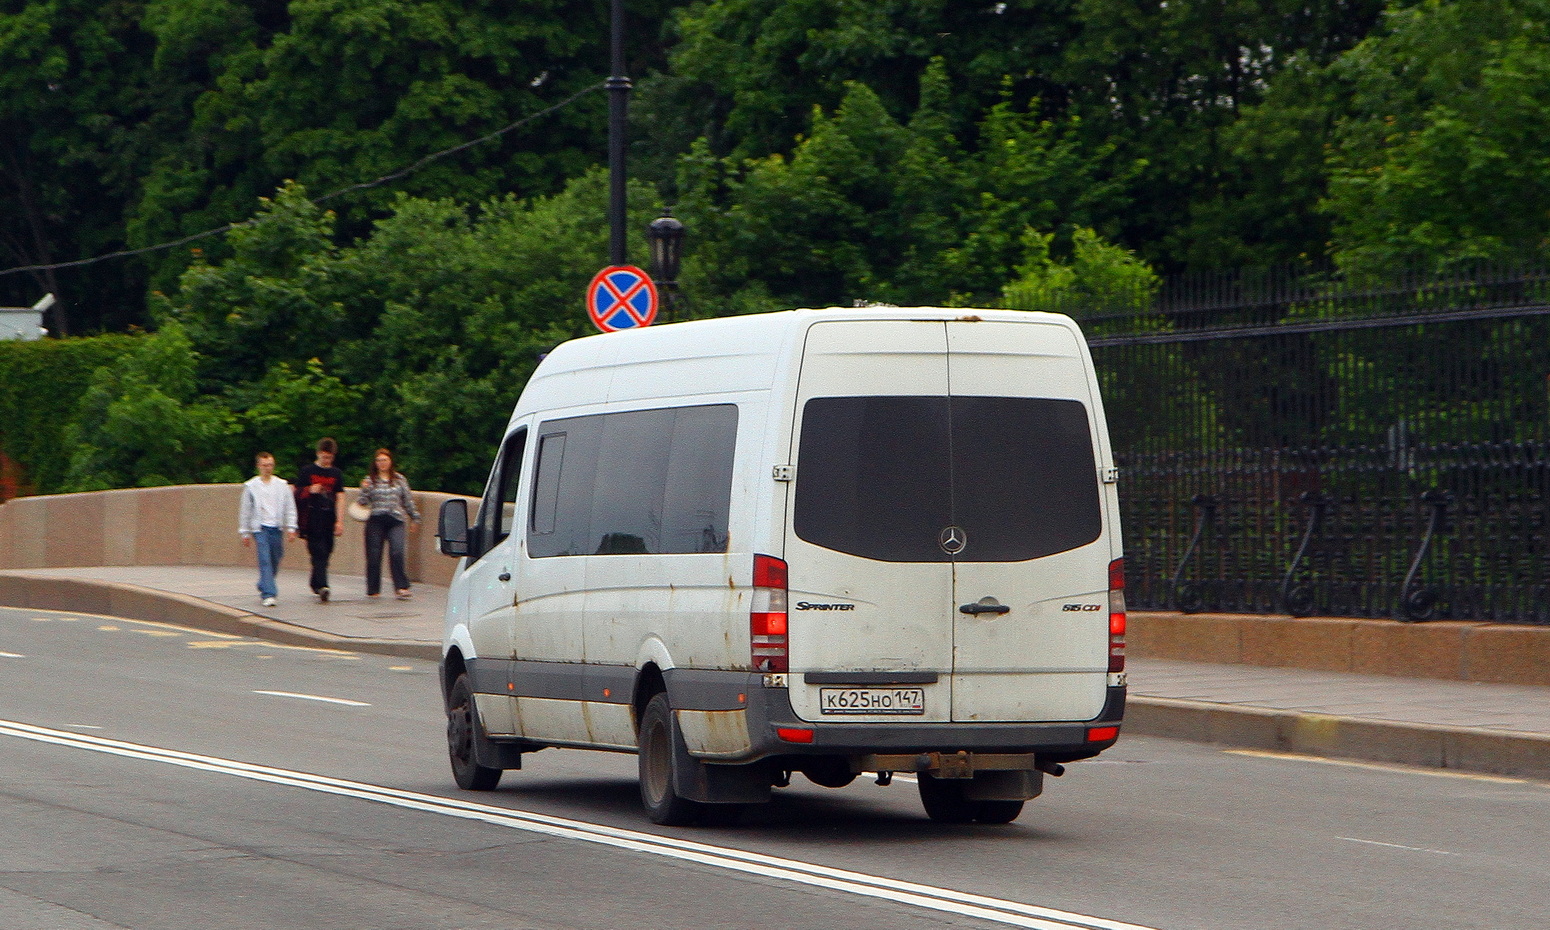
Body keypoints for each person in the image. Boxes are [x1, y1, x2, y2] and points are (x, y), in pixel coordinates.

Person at [238, 452, 298, 608]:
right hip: (260, 528)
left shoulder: (281, 485)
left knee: (275, 558)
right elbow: (246, 510)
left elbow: (289, 507)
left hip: (276, 528)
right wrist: (245, 531)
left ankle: (263, 583)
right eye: (264, 465)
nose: (267, 468)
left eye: (270, 465)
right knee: (264, 559)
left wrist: (291, 527)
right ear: (258, 466)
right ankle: (269, 594)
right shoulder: (251, 486)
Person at [359, 447, 420, 599]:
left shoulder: (399, 479)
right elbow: (362, 502)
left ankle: (401, 586)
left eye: (384, 460)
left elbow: (407, 500)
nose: (382, 463)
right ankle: (373, 588)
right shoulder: (370, 480)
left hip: (395, 519)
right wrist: (365, 490)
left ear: (390, 461)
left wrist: (415, 517)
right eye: (379, 460)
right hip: (376, 518)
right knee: (373, 554)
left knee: (397, 551)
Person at [294, 437, 345, 602]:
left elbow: (340, 497)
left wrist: (340, 521)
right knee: (318, 551)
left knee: (327, 550)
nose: (326, 460)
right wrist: (310, 490)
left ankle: (315, 581)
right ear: (318, 454)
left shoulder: (336, 474)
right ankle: (323, 586)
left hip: (329, 516)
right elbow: (296, 493)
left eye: (329, 457)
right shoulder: (307, 471)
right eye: (324, 457)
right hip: (311, 517)